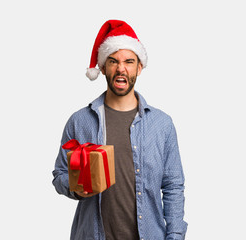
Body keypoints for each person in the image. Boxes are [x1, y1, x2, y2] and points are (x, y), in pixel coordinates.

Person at [52, 19, 188, 240]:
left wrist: (174, 235)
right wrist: (76, 188)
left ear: (139, 67)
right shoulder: (80, 121)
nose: (121, 68)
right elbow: (60, 174)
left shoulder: (162, 124)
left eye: (129, 61)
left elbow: (173, 186)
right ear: (104, 67)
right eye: (113, 61)